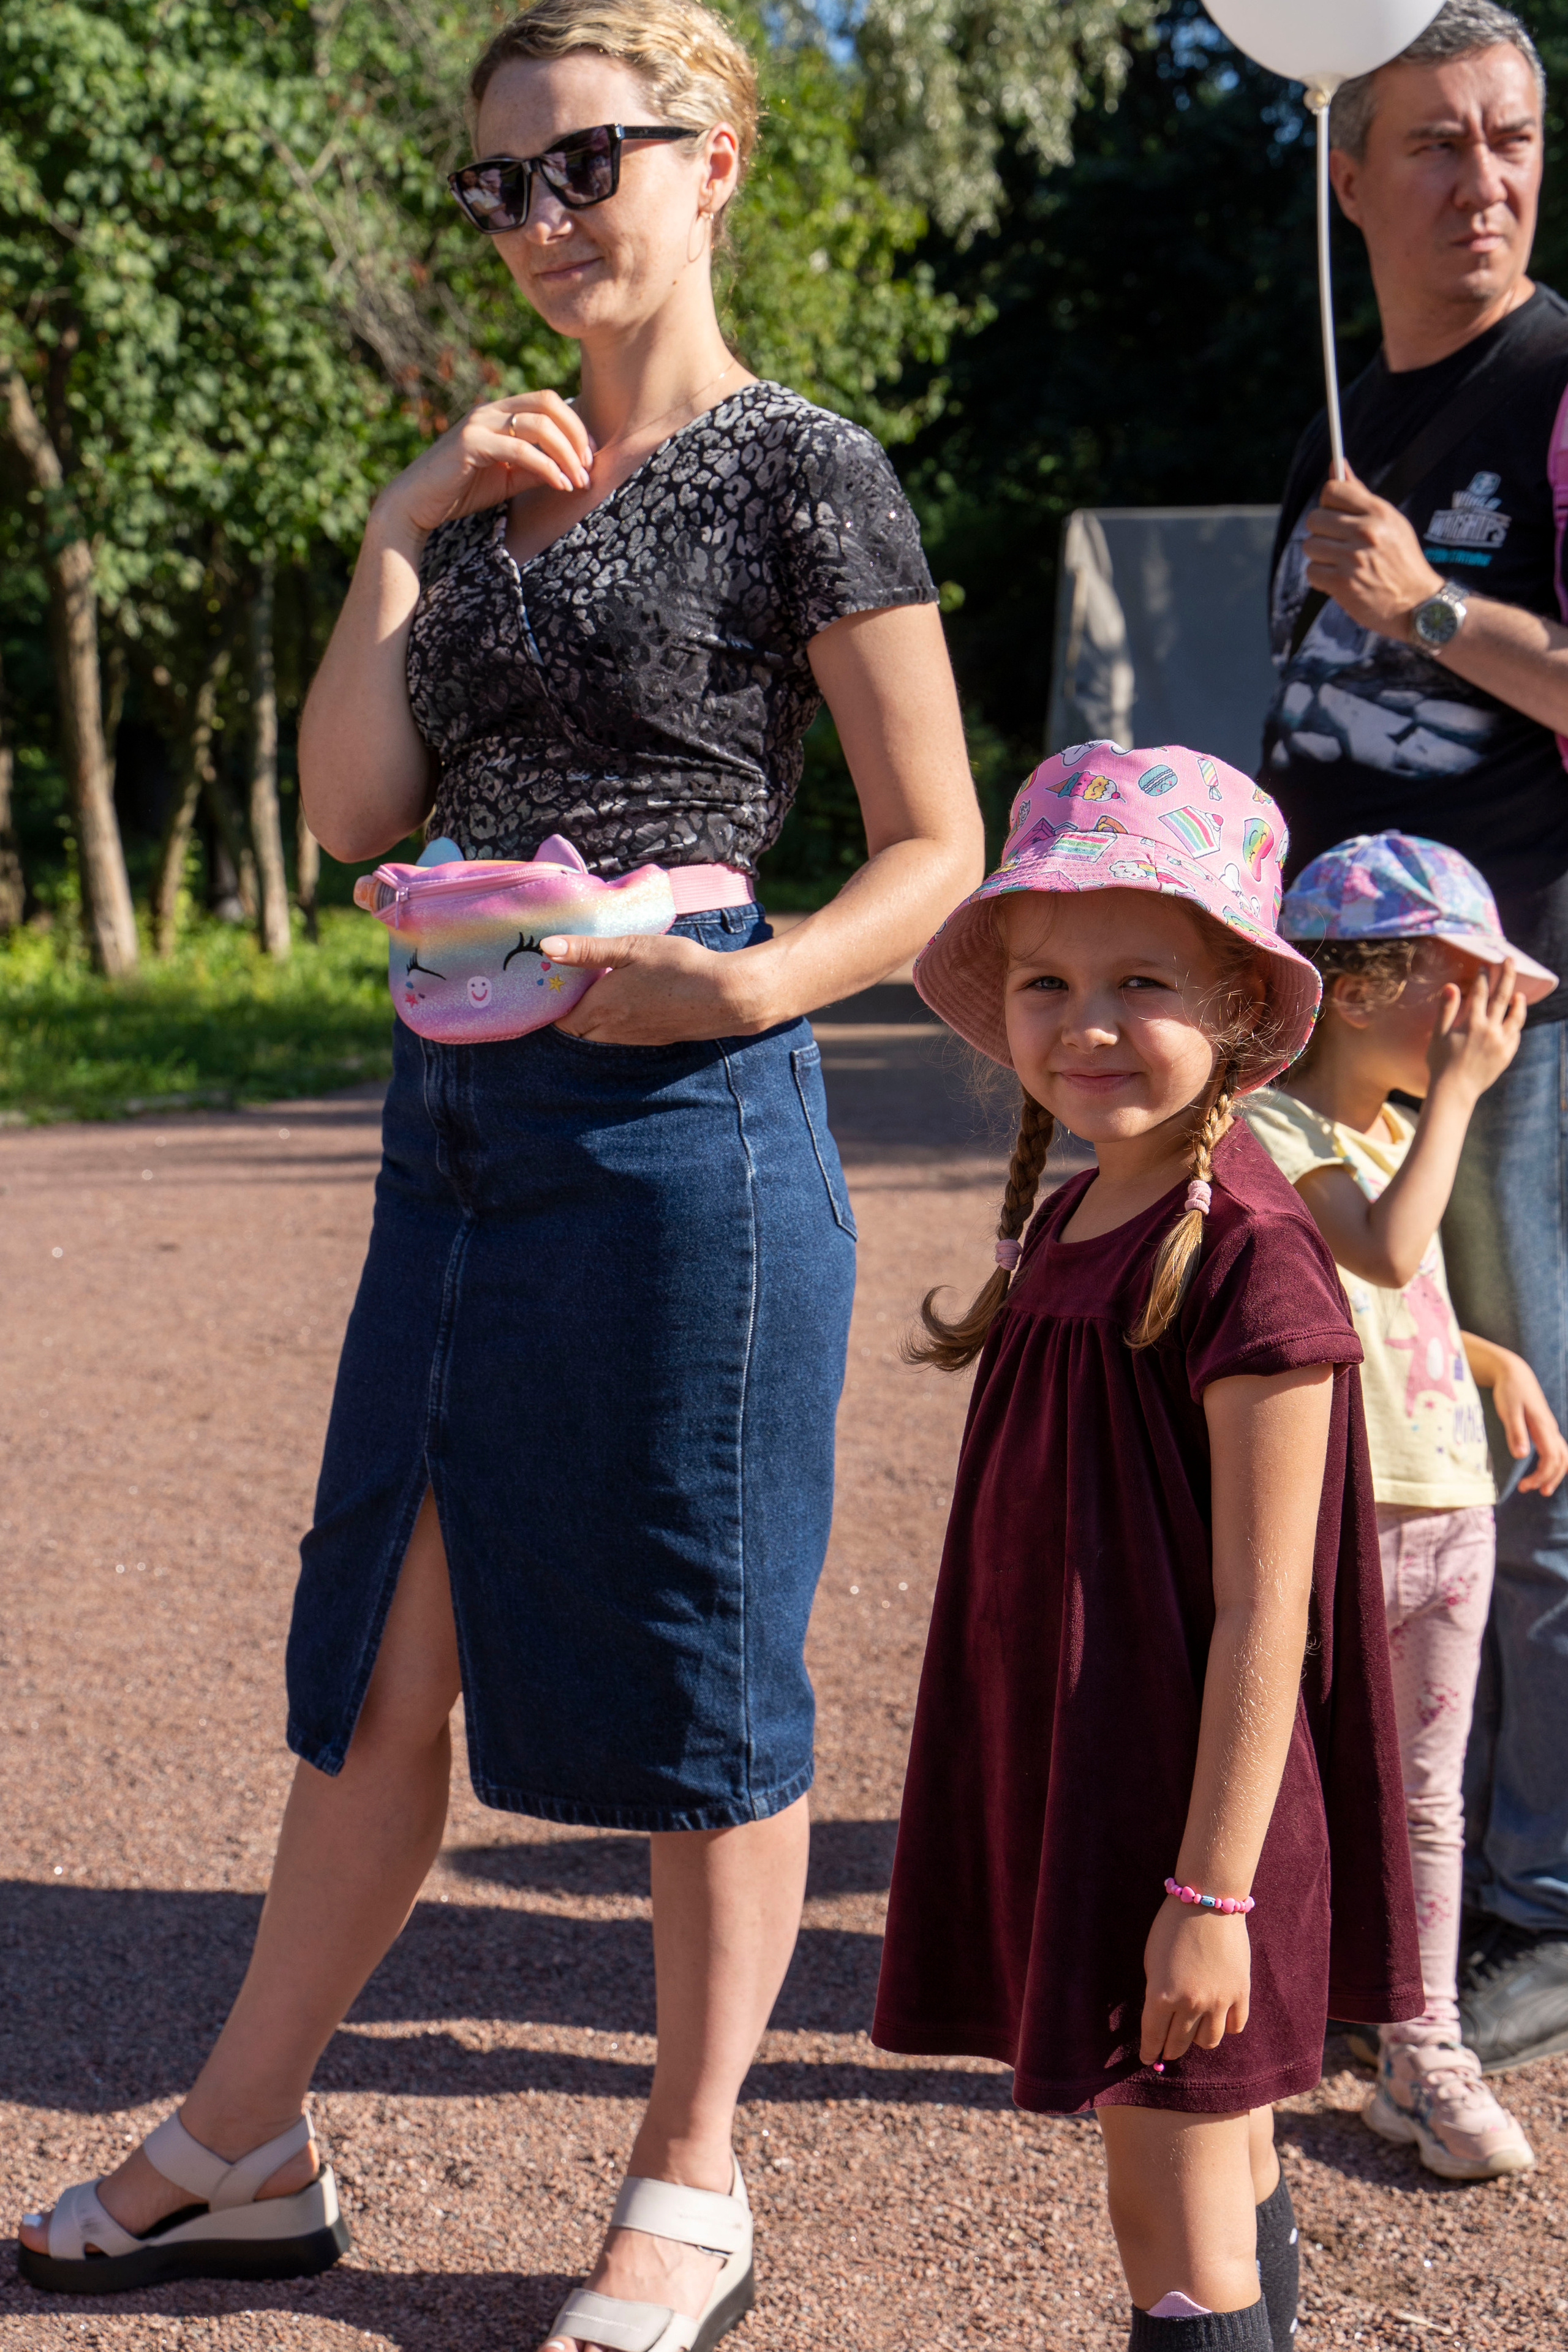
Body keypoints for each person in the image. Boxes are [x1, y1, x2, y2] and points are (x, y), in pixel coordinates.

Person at [15, 6, 982, 2348]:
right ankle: (247, 2139)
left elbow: (936, 849)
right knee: (383, 1662)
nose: (542, 222)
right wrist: (394, 529)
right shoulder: (476, 484)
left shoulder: (801, 468)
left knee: (698, 1661)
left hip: (679, 1122)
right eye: (501, 188)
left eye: (588, 168)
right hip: (454, 1126)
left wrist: (751, 991)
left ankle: (692, 2178)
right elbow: (362, 814)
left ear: (718, 162)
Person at [872, 744, 1422, 2352]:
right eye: (1044, 982)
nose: (1086, 1023)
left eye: (1141, 981)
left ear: (1246, 1009)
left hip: (1190, 1832)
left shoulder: (1254, 1260)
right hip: (1104, 1790)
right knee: (1211, 2169)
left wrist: (1208, 1895)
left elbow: (1273, 1616)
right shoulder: (1071, 1219)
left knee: (1174, 2235)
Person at [1261, 0, 1568, 2073]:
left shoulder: (1559, 380)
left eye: (1515, 138)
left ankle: (1541, 1897)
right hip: (1312, 1027)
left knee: (1516, 1439)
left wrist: (1436, 618)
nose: (1485, 181)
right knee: (1339, 1426)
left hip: (1498, 1015)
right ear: (1347, 175)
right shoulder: (1343, 410)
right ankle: (1390, 1857)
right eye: (1436, 145)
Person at [1244, 831, 1567, 2180]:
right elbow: (1373, 1250)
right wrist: (1458, 1096)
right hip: (1331, 1521)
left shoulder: (1381, 1129)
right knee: (1275, 1782)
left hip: (1446, 1511)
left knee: (1425, 1801)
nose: (1483, 1019)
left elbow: (1404, 1292)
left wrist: (1493, 1361)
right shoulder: (1282, 1126)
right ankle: (1235, 2027)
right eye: (1466, 984)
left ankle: (1418, 2047)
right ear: (1368, 984)